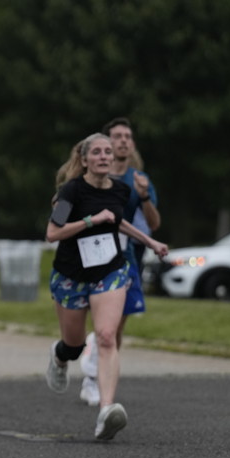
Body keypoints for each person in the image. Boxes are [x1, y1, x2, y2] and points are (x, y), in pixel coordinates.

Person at [45, 133, 168, 441]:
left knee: (106, 336)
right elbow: (52, 233)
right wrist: (91, 220)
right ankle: (59, 357)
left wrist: (150, 241)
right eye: (97, 152)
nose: (103, 156)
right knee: (74, 346)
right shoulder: (71, 191)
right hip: (72, 275)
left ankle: (106, 411)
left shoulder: (122, 190)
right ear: (84, 159)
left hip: (109, 270)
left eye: (107, 152)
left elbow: (118, 222)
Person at [76, 118, 163, 406]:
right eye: (117, 136)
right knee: (93, 327)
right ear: (105, 143)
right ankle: (84, 362)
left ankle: (95, 377)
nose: (123, 140)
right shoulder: (90, 178)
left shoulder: (139, 180)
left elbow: (154, 223)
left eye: (128, 136)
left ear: (132, 144)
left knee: (115, 327)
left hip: (126, 258)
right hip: (90, 255)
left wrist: (144, 197)